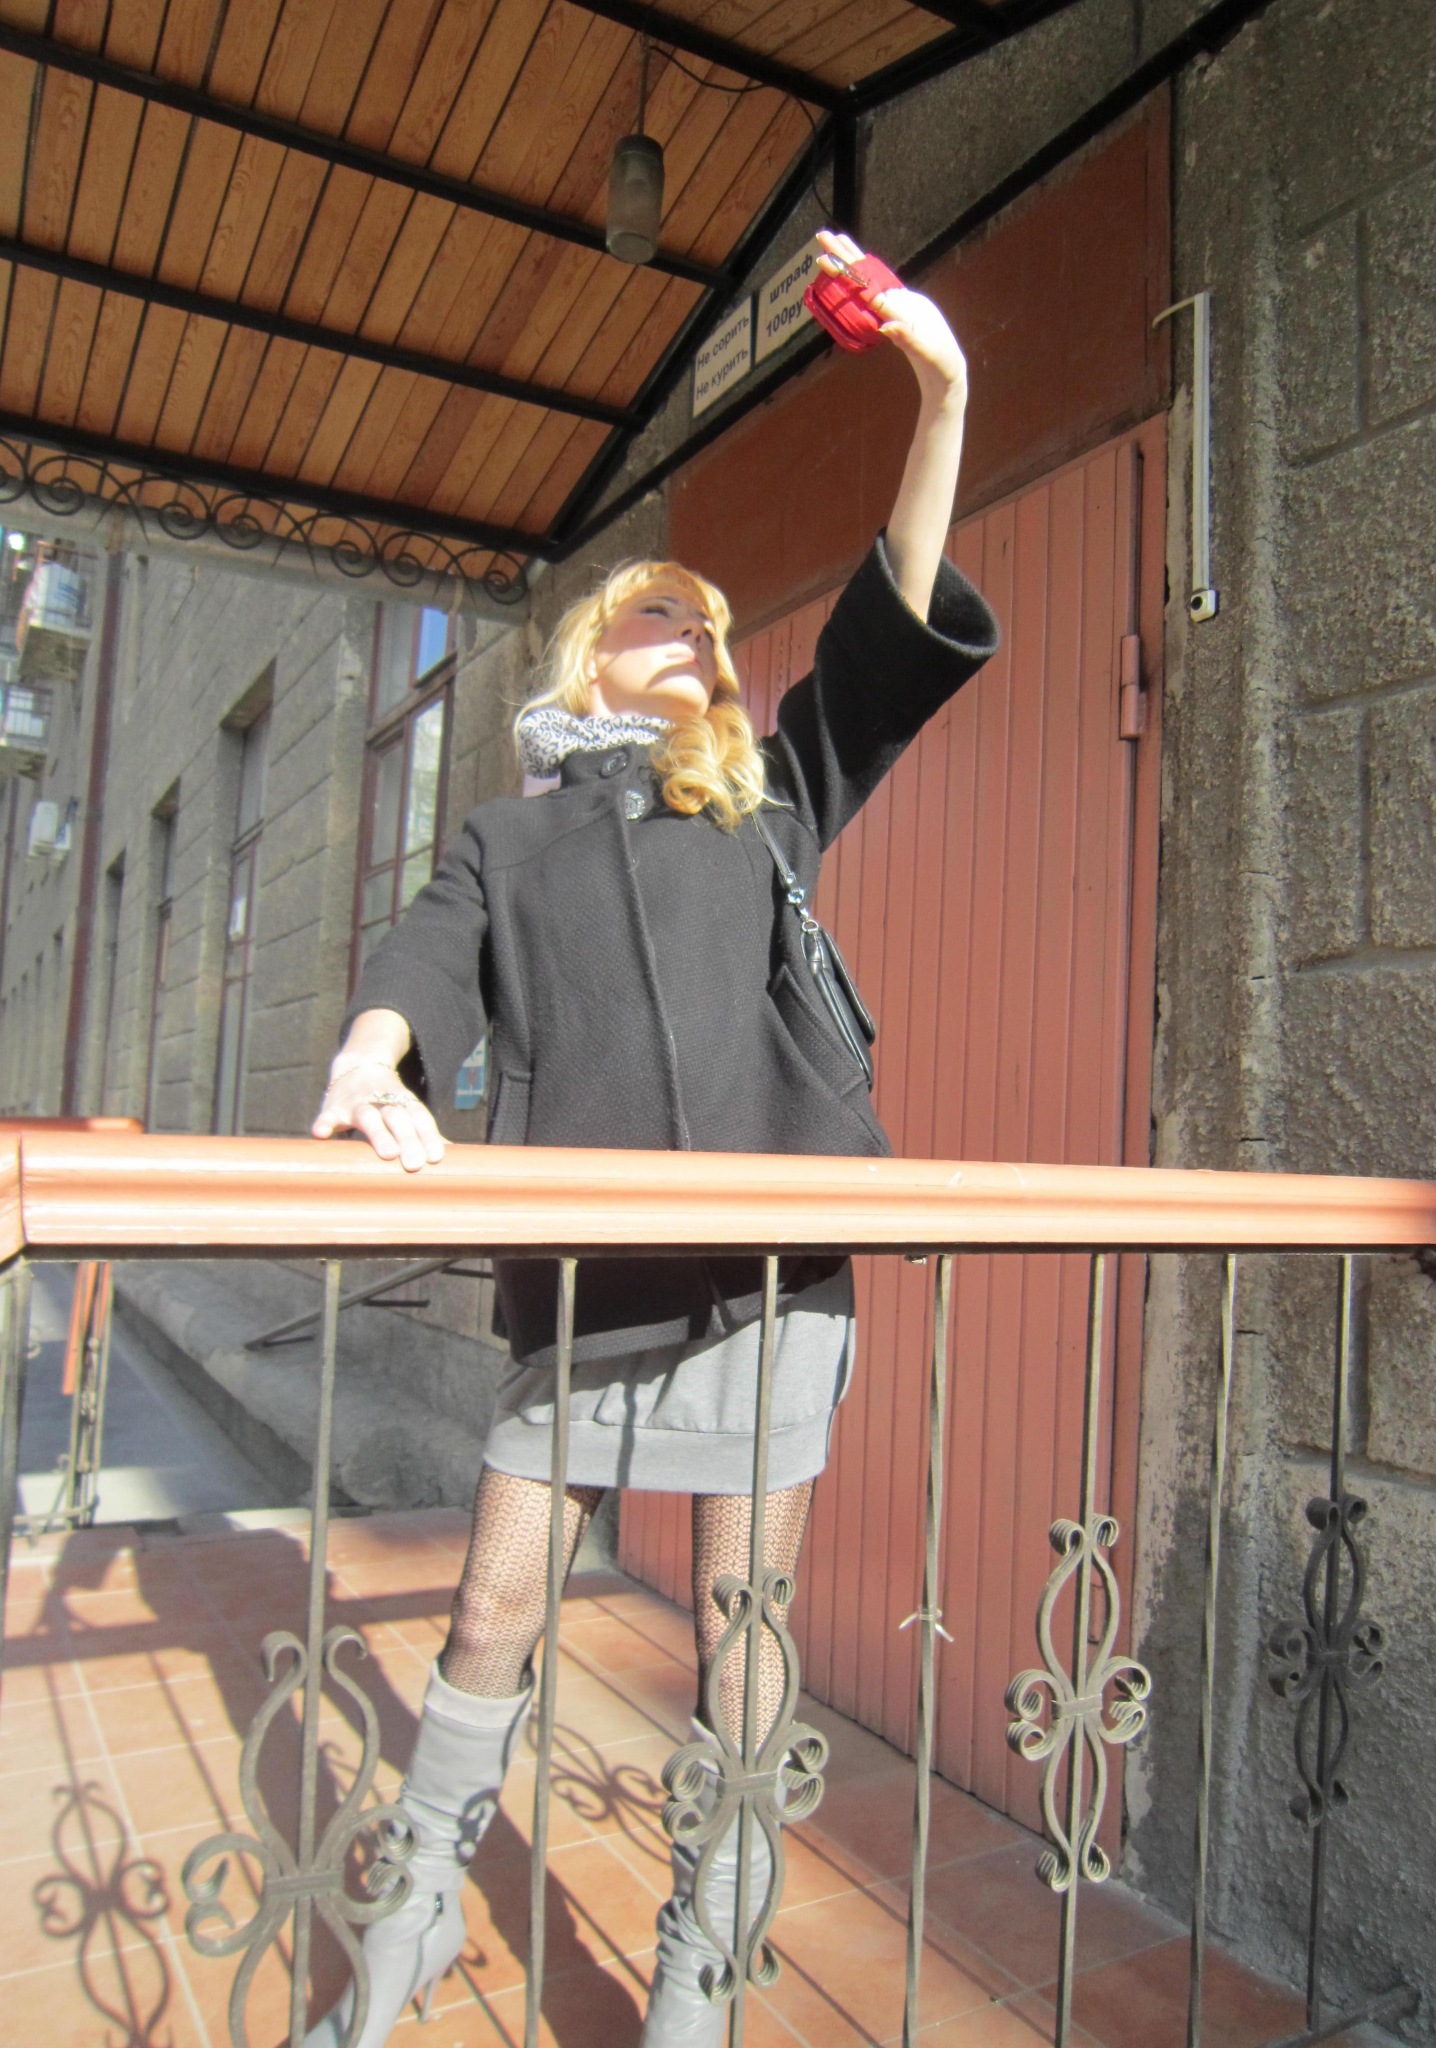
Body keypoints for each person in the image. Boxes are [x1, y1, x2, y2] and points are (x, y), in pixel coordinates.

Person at [304, 230, 997, 2048]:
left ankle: (704, 1957)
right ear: (589, 657)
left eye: (711, 623)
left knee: (745, 1617)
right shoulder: (507, 838)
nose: (697, 636)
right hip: (589, 1288)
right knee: (492, 1608)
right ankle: (408, 1926)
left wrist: (941, 388)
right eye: (659, 616)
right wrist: (374, 1056)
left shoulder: (768, 803)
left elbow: (887, 632)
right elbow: (427, 959)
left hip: (772, 1283)